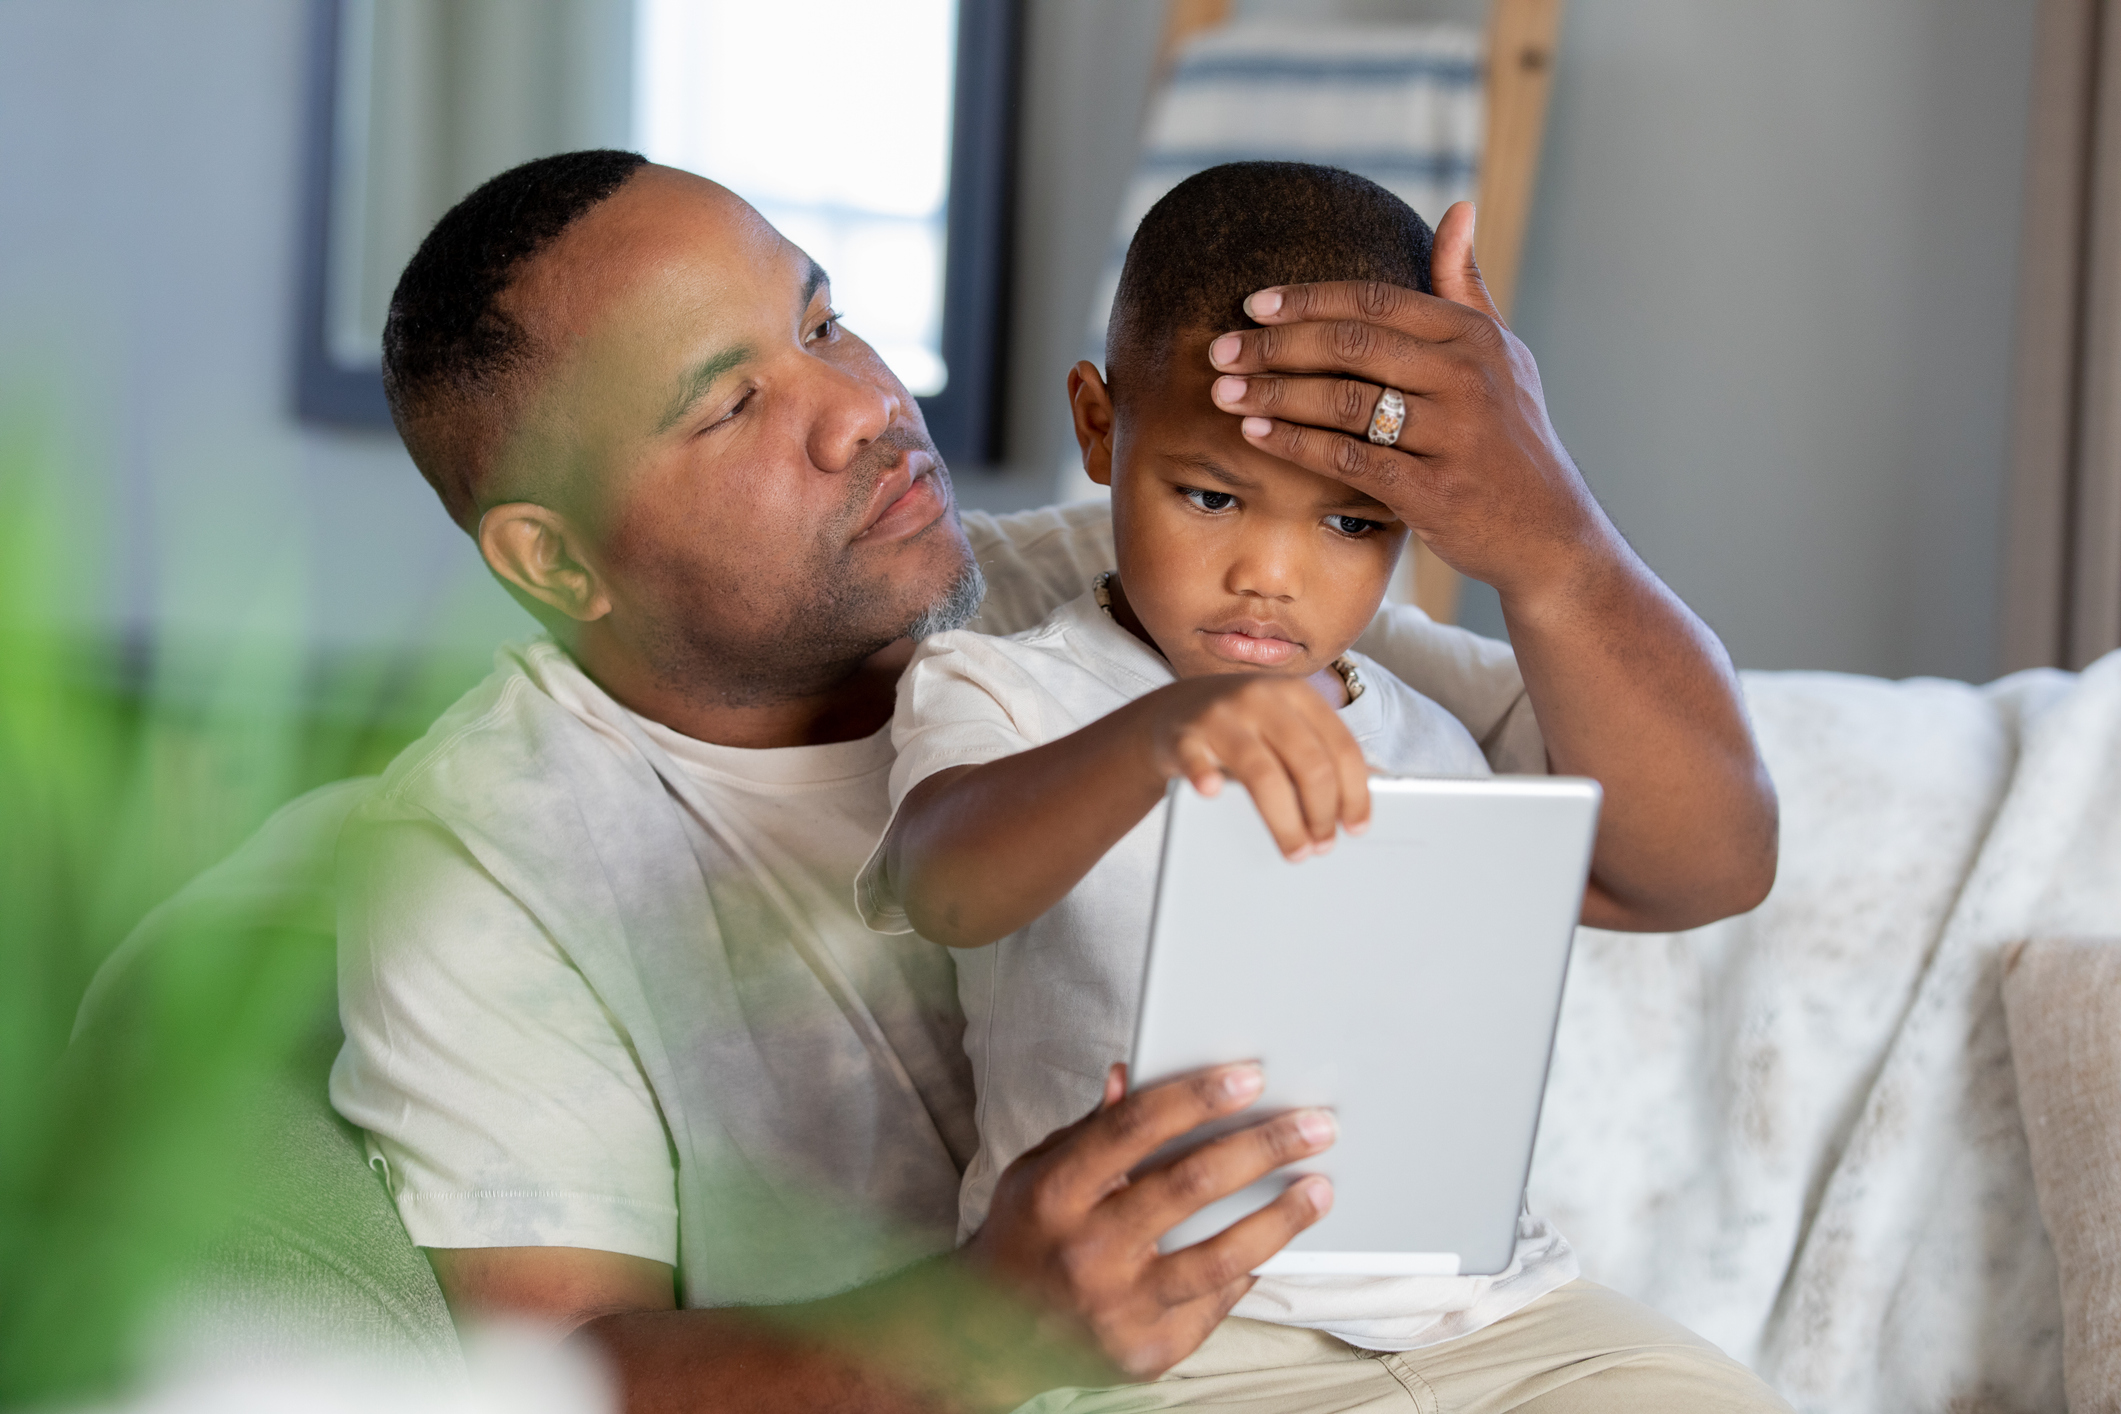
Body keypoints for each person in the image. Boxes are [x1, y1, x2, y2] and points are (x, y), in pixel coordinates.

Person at [329, 148, 1779, 1411]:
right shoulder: (484, 859)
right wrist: (979, 1334)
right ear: (553, 556)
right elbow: (549, 1380)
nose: (861, 407)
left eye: (823, 317)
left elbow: (1692, 862)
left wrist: (1555, 537)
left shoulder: (1142, 587)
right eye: (729, 406)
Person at [857, 163, 1786, 1408]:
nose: (1273, 575)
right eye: (1210, 495)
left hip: (1493, 1319)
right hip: (1167, 1337)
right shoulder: (1006, 690)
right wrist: (1162, 733)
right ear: (1098, 424)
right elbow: (945, 885)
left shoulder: (1441, 716)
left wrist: (1547, 525)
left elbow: (1711, 862)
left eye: (1352, 523)